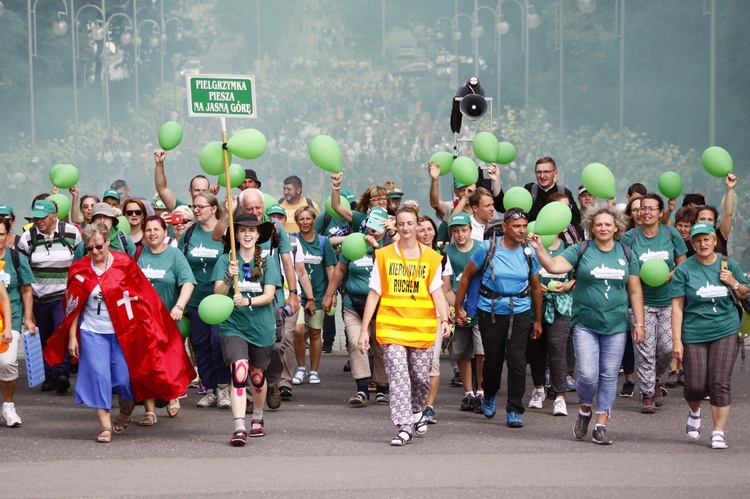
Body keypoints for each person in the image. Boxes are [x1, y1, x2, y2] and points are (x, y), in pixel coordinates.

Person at [43, 222, 194, 443]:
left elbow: (143, 298)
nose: (94, 252)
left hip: (123, 332)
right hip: (92, 332)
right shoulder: (79, 269)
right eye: (89, 248)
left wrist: (152, 327)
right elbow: (73, 306)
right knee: (98, 376)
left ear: (107, 242)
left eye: (99, 247)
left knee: (124, 379)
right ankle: (105, 426)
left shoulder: (124, 264)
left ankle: (126, 405)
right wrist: (73, 335)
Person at [528, 203, 646, 445]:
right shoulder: (580, 250)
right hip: (585, 324)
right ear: (591, 227)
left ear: (616, 228)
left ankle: (601, 425)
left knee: (609, 375)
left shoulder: (627, 254)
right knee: (588, 376)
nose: (603, 228)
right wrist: (539, 247)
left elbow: (634, 291)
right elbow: (553, 266)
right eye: (598, 224)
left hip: (616, 325)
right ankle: (584, 410)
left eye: (608, 224)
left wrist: (639, 323)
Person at [358, 203, 451, 446]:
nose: (406, 228)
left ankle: (417, 410)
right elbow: (374, 293)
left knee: (420, 378)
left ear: (418, 225)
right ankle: (404, 426)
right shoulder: (384, 255)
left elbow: (437, 292)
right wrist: (363, 330)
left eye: (410, 223)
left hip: (421, 329)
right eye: (401, 224)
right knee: (399, 377)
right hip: (392, 328)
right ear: (396, 226)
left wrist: (446, 319)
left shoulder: (432, 258)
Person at [454, 208, 543, 429]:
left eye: (524, 226)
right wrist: (458, 307)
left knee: (517, 361)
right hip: (490, 310)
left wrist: (537, 320)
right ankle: (490, 393)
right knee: (492, 361)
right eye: (516, 226)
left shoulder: (528, 252)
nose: (521, 231)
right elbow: (466, 277)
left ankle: (514, 409)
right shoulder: (488, 248)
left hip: (520, 310)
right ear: (505, 227)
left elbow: (536, 288)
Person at [671, 222, 748, 449]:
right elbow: (676, 306)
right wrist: (677, 341)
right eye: (697, 240)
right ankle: (694, 412)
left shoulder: (727, 263)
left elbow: (744, 292)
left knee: (719, 382)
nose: (702, 244)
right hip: (694, 332)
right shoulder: (685, 269)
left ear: (715, 241)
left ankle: (718, 432)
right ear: (693, 244)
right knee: (694, 385)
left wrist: (732, 281)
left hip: (725, 329)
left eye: (707, 239)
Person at [212, 213, 281, 446]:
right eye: (242, 230)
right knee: (239, 373)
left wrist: (248, 301)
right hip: (234, 326)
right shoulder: (226, 260)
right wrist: (228, 278)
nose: (247, 234)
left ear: (258, 234)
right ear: (237, 235)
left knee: (257, 377)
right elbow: (217, 294)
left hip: (261, 327)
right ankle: (239, 426)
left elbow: (270, 295)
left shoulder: (267, 261)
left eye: (252, 230)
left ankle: (258, 418)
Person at [621, 193, 688, 413]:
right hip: (641, 302)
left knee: (667, 349)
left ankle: (654, 378)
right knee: (645, 349)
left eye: (651, 208)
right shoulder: (629, 238)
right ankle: (648, 393)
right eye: (642, 209)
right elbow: (624, 268)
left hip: (669, 301)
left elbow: (683, 266)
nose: (646, 212)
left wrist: (668, 275)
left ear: (660, 213)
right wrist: (637, 277)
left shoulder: (672, 234)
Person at [321, 212, 389, 406]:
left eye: (379, 225)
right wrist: (329, 295)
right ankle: (362, 390)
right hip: (353, 303)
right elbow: (341, 269)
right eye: (371, 224)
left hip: (380, 306)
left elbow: (385, 269)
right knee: (355, 343)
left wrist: (377, 247)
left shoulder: (390, 246)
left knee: (381, 347)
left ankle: (382, 389)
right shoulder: (354, 242)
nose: (373, 230)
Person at [136, 216, 196, 425]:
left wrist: (179, 306)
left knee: (166, 362)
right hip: (144, 320)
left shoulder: (174, 255)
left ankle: (172, 395)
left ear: (165, 232)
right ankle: (149, 411)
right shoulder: (139, 255)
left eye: (156, 229)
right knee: (147, 366)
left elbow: (188, 282)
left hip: (168, 319)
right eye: (148, 230)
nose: (152, 233)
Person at [17, 199, 81, 394]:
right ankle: (48, 375)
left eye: (43, 217)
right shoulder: (27, 237)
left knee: (60, 332)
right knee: (43, 335)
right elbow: (21, 269)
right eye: (36, 217)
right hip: (38, 296)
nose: (39, 221)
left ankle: (61, 372)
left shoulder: (72, 233)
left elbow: (81, 260)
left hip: (63, 295)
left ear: (55, 215)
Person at [179, 192, 231, 409]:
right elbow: (180, 264)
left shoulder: (225, 233)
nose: (196, 210)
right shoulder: (189, 233)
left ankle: (223, 387)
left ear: (213, 208)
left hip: (219, 299)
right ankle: (209, 388)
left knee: (217, 342)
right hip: (196, 298)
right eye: (194, 206)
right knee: (200, 345)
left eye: (201, 206)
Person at [526, 213, 576, 417]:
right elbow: (524, 274)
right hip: (535, 304)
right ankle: (538, 389)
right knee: (536, 348)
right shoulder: (531, 247)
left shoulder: (569, 249)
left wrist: (566, 286)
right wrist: (535, 287)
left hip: (561, 306)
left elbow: (578, 278)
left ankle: (559, 397)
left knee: (557, 348)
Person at [442, 213, 484, 413]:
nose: (460, 235)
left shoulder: (481, 248)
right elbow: (446, 288)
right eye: (456, 231)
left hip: (480, 306)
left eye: (464, 230)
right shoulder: (447, 253)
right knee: (462, 352)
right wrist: (457, 309)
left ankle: (482, 391)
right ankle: (468, 393)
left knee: (481, 351)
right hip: (457, 307)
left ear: (470, 229)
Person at [291, 206, 337, 385]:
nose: (304, 222)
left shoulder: (323, 242)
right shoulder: (293, 241)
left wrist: (332, 294)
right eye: (301, 219)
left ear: (313, 220)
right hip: (298, 295)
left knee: (316, 332)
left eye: (308, 219)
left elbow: (331, 268)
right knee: (298, 331)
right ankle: (301, 368)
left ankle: (314, 371)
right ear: (296, 221)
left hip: (319, 294)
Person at [416, 214, 452, 424]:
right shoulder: (407, 254)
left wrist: (449, 315)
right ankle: (415, 405)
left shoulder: (442, 257)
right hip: (412, 317)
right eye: (422, 229)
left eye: (430, 229)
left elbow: (444, 289)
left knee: (433, 364)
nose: (427, 233)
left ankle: (428, 407)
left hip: (436, 317)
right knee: (414, 365)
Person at [0, 217, 35, 427]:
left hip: (10, 319)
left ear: (7, 235)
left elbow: (26, 289)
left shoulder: (15, 258)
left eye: (1, 234)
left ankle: (8, 405)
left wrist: (28, 318)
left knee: (6, 362)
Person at [494, 157, 582, 225]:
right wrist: (496, 180)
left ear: (555, 173)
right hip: (531, 243)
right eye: (539, 172)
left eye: (546, 172)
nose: (542, 176)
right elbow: (503, 207)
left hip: (557, 245)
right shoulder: (530, 190)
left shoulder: (564, 193)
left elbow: (576, 223)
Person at [154, 149, 218, 211]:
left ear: (209, 191)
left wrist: (212, 199)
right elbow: (162, 189)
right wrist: (159, 164)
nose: (201, 193)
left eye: (204, 190)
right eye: (197, 190)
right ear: (190, 191)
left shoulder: (215, 211)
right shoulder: (184, 210)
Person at [695, 173, 738, 256]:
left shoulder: (720, 235)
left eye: (710, 219)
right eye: (702, 219)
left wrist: (729, 189)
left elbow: (728, 214)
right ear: (696, 221)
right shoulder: (691, 237)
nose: (706, 222)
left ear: (715, 222)